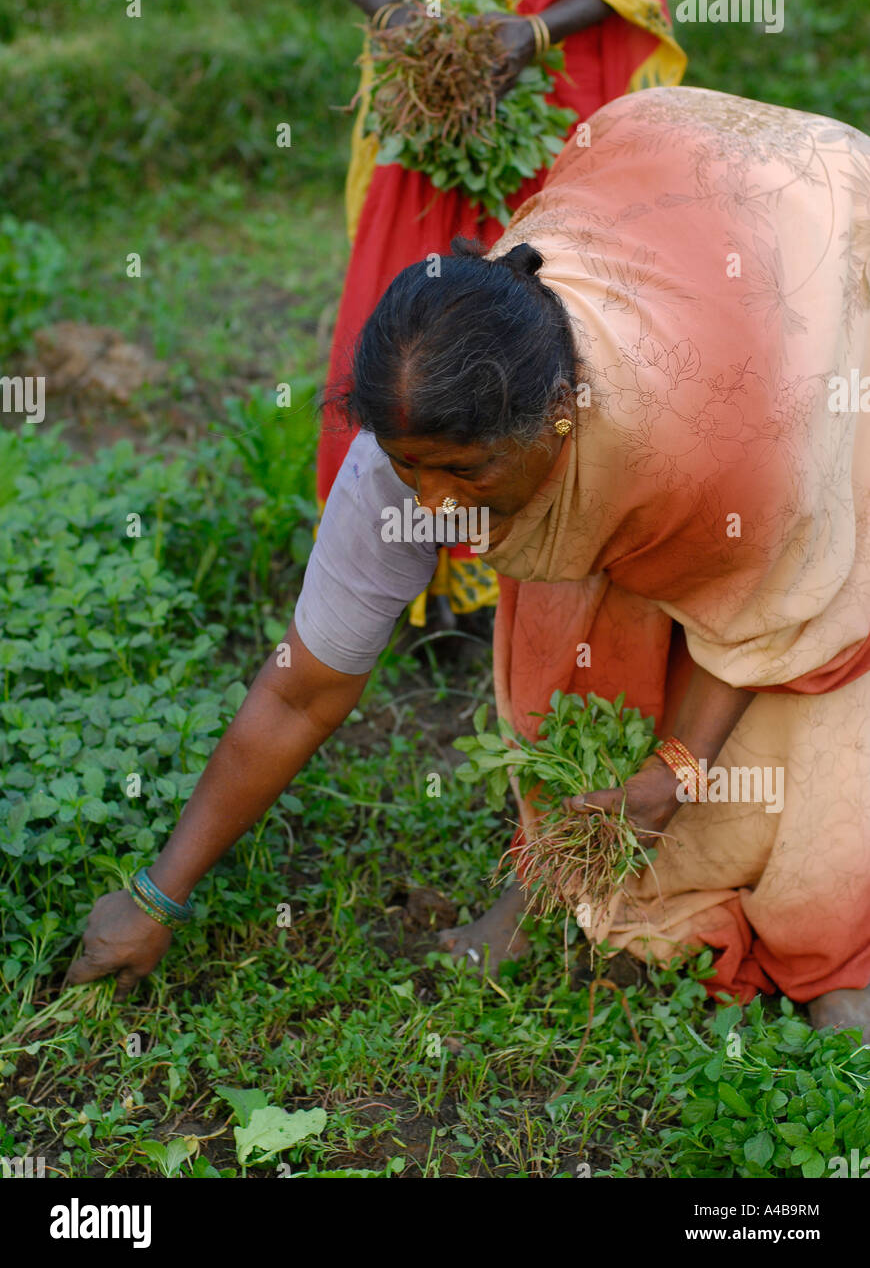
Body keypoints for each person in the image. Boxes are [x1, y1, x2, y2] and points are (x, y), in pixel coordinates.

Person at [66, 85, 870, 1043]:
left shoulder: (711, 442)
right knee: (563, 649)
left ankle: (830, 935)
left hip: (809, 260)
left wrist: (672, 774)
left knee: (811, 653)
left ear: (559, 419)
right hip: (657, 204)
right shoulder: (401, 464)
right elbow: (301, 692)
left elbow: (762, 609)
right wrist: (158, 894)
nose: (436, 508)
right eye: (416, 471)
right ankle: (551, 900)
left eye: (467, 474)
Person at [318, 0, 685, 625]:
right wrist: (401, 21)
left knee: (555, 313)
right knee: (415, 318)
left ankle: (541, 574)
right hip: (426, 101)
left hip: (554, 87)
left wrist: (535, 32)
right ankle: (404, 569)